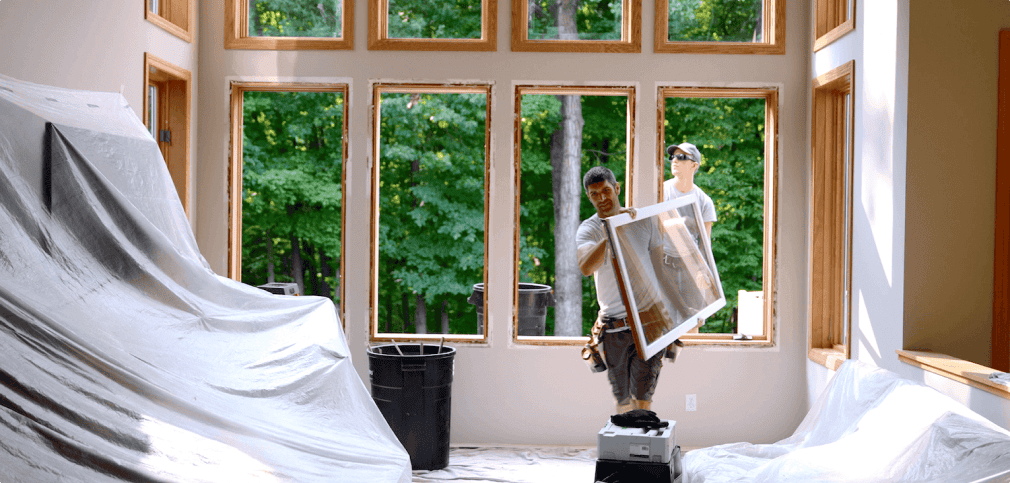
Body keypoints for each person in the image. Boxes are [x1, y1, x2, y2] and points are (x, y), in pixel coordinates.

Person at [576, 166, 668, 414]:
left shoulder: (643, 221)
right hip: (614, 329)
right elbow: (585, 266)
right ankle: (625, 450)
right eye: (595, 194)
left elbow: (661, 267)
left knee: (643, 400)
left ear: (617, 188)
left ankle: (642, 450)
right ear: (589, 197)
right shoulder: (590, 229)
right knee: (624, 404)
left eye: (606, 190)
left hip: (648, 322)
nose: (602, 198)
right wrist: (612, 230)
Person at [663, 142, 718, 343]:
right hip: (664, 264)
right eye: (673, 157)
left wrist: (702, 272)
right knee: (663, 324)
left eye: (682, 157)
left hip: (691, 267)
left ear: (694, 165)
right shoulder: (661, 192)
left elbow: (705, 243)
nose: (675, 161)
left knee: (692, 324)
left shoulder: (704, 201)